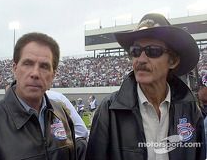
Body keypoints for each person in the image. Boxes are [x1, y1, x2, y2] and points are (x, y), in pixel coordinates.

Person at [86, 13, 206, 160]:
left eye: (153, 51)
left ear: (173, 61)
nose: (141, 59)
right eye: (135, 51)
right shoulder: (108, 110)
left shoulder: (190, 109)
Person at [0, 32, 76, 160]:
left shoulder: (61, 114)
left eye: (44, 66)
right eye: (28, 63)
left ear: (53, 75)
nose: (35, 73)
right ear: (15, 68)